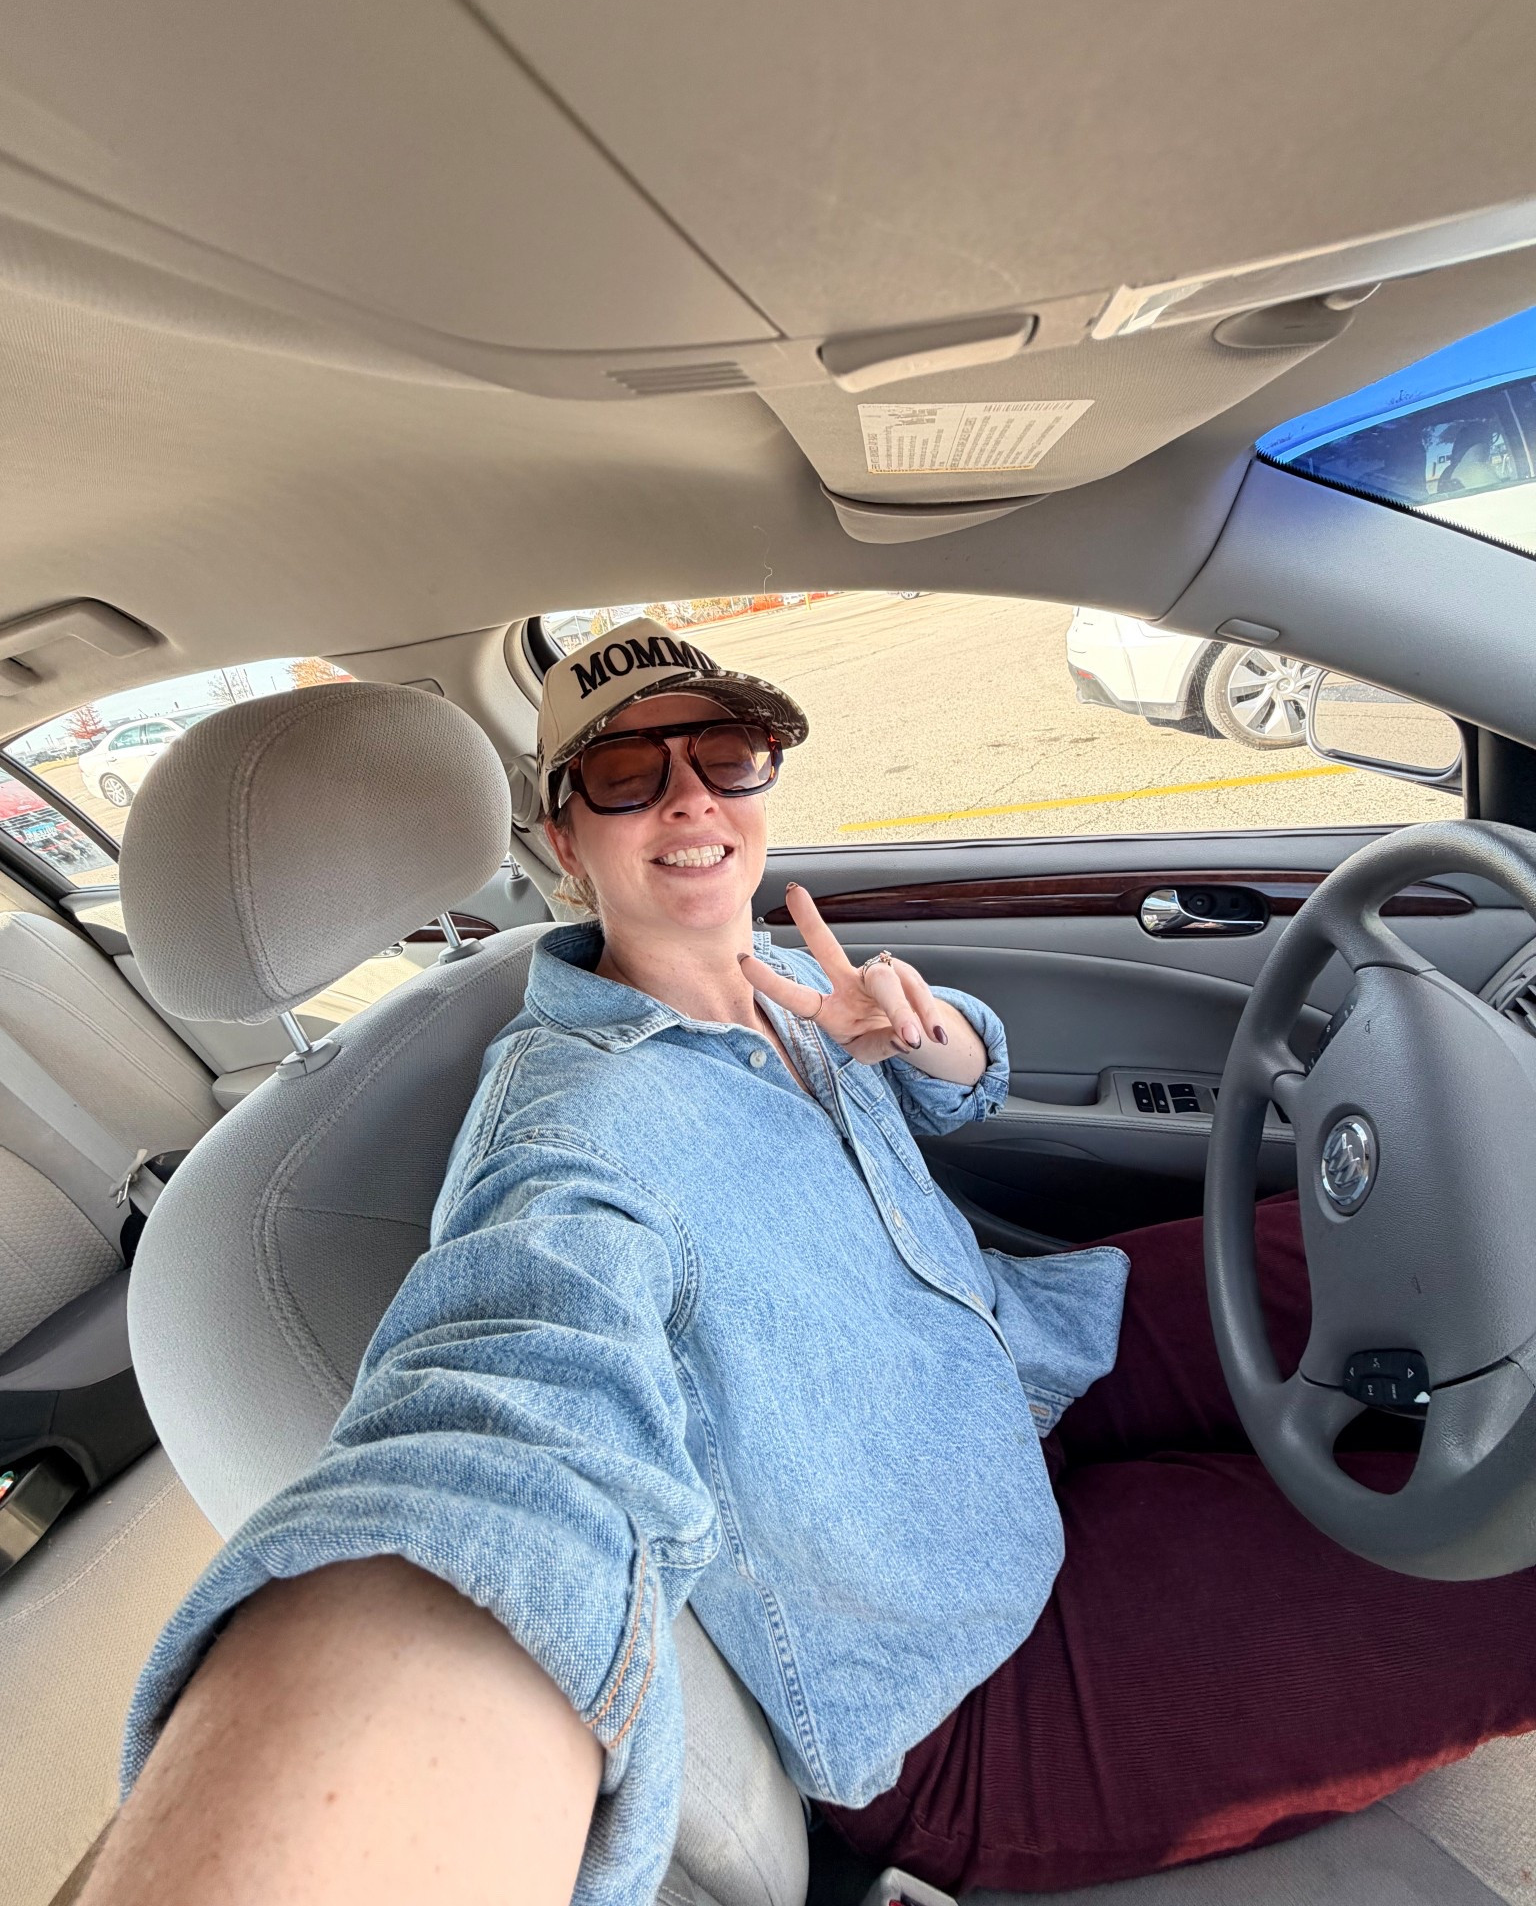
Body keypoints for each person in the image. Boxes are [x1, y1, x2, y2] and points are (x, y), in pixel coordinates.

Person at [86, 620, 1536, 1906]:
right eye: (628, 773)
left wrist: (926, 1042)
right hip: (963, 1668)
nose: (690, 798)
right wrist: (362, 1710)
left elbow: (957, 1097)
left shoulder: (770, 986)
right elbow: (514, 1403)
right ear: (559, 835)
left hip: (1020, 1366)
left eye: (721, 753)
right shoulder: (573, 1128)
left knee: (1433, 1249)